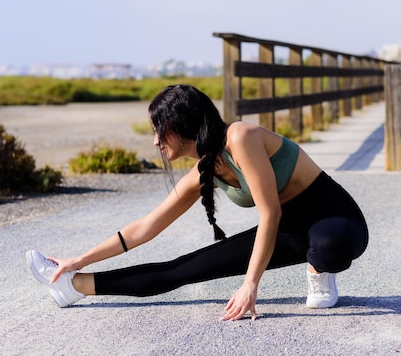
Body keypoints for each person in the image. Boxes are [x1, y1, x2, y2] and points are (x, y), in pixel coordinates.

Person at [26, 84, 368, 320]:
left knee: (329, 243)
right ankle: (76, 287)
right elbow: (145, 228)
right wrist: (78, 260)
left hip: (334, 218)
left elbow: (270, 212)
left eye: (160, 130)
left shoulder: (241, 138)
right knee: (182, 269)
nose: (156, 141)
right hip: (286, 228)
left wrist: (250, 285)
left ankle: (319, 270)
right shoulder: (200, 171)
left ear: (182, 124)